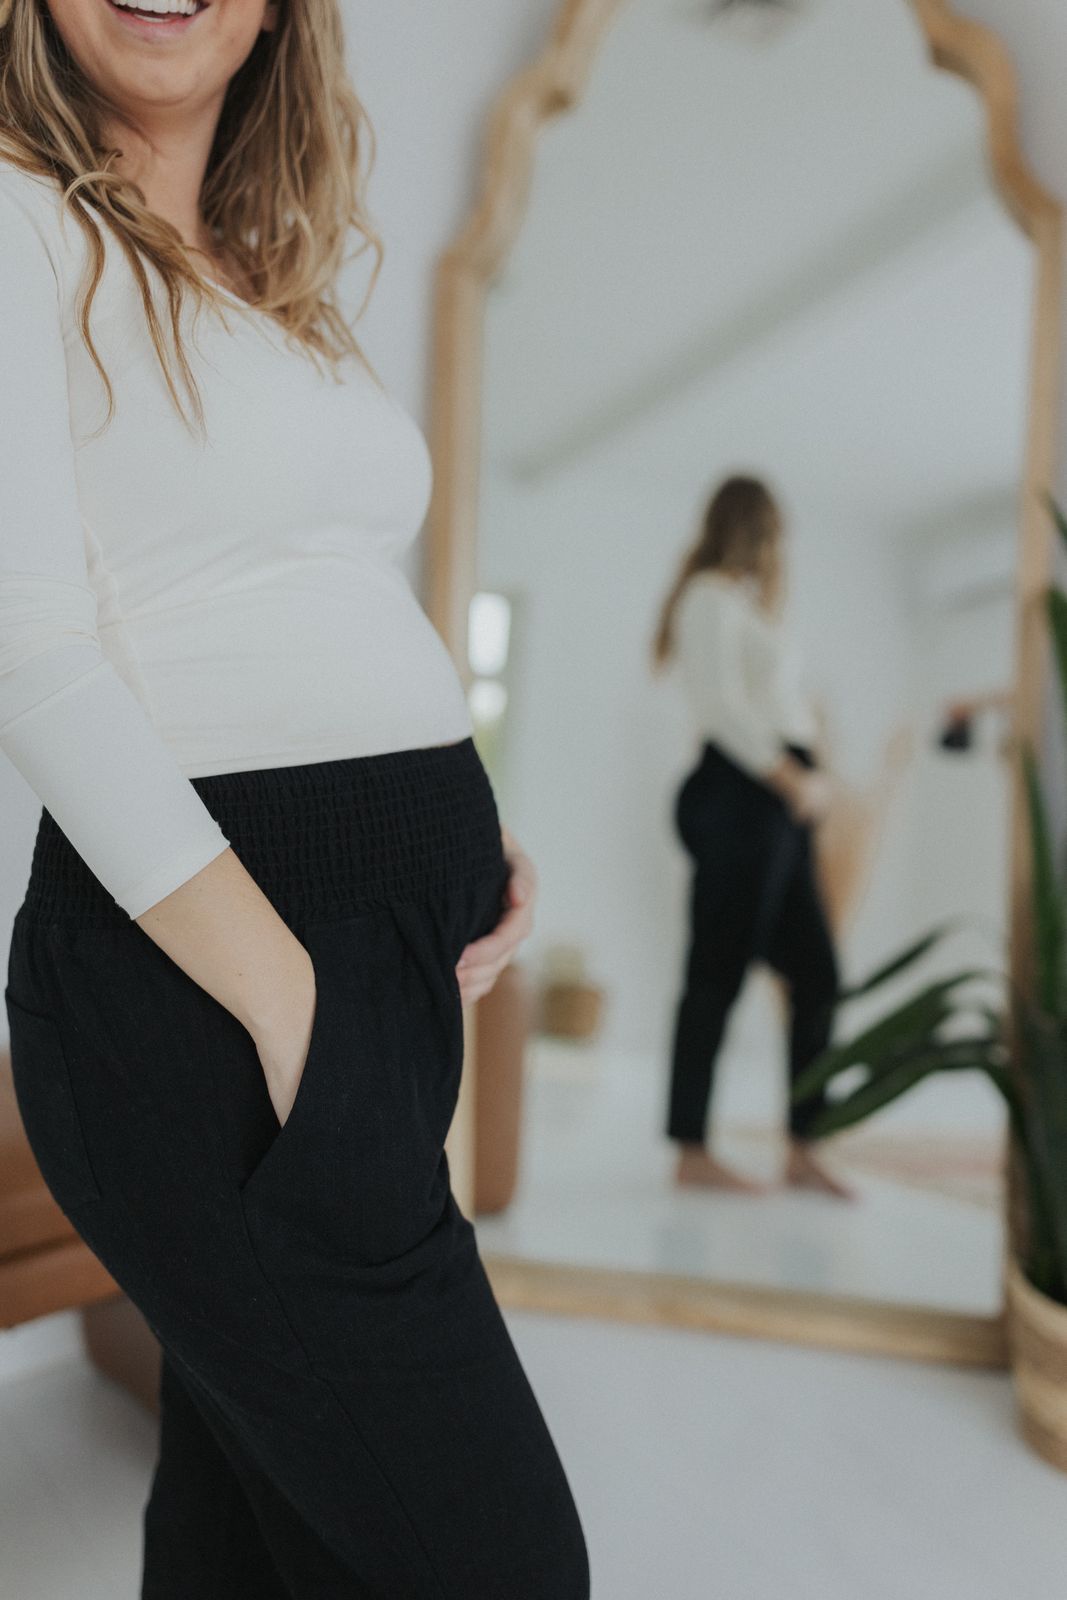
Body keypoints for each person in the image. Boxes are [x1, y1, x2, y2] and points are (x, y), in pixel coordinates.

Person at [0, 1, 589, 1595]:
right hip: (212, 975)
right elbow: (26, 646)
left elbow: (305, 606)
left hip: (356, 967)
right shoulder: (16, 217)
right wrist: (292, 1009)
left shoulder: (272, 275)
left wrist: (467, 833)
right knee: (499, 1564)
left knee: (250, 1525)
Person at [651, 474, 848, 1199]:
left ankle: (802, 1143)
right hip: (746, 797)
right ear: (754, 529)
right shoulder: (706, 596)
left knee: (818, 973)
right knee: (717, 970)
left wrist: (812, 781)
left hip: (778, 805)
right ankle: (690, 1148)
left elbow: (778, 706)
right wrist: (793, 781)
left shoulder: (743, 606)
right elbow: (720, 707)